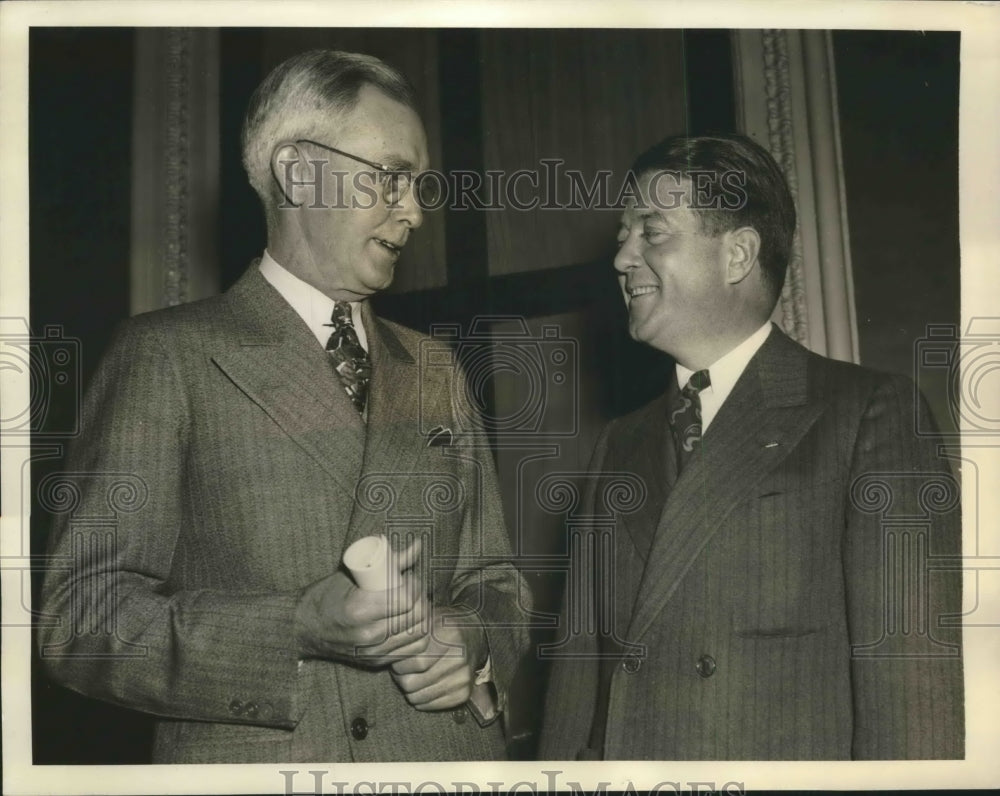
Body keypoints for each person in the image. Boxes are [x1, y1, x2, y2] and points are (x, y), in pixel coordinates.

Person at [38, 50, 528, 763]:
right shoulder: (168, 356)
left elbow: (499, 586)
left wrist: (472, 640)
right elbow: (76, 621)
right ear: (298, 172)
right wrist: (292, 627)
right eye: (392, 176)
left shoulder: (435, 368)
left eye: (420, 185)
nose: (416, 211)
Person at [539, 133, 963, 760]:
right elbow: (576, 688)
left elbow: (912, 686)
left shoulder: (868, 414)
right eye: (621, 235)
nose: (622, 258)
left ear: (737, 254)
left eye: (651, 232)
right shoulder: (617, 443)